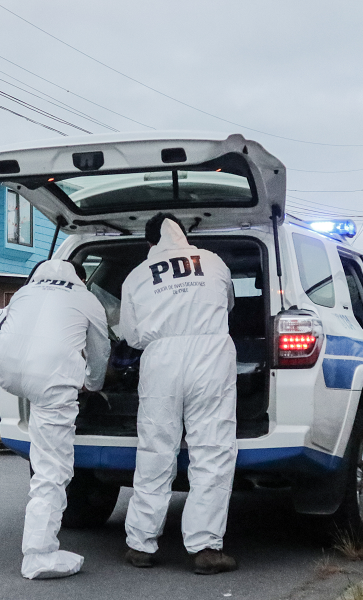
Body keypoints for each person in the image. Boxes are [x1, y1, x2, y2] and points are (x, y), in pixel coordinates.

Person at [118, 213, 239, 575]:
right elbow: (229, 305)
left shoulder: (137, 275)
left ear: (149, 242)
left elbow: (131, 335)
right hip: (211, 357)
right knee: (212, 450)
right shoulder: (214, 262)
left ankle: (140, 544)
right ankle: (205, 547)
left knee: (155, 449)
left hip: (161, 360)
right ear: (184, 235)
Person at [0, 259, 111, 580]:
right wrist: (91, 384)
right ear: (81, 278)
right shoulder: (87, 299)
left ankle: (41, 547)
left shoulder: (25, 292)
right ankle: (39, 555)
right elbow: (100, 354)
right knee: (52, 468)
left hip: (4, 370)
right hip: (51, 380)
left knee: (39, 411)